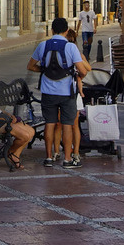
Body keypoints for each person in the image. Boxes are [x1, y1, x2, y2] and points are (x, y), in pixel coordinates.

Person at [28, 18, 89, 169]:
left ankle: (49, 157)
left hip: (48, 92)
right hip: (67, 92)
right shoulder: (71, 47)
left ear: (52, 30)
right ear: (66, 31)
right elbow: (83, 71)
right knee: (67, 125)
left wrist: (44, 70)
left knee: (50, 123)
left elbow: (31, 66)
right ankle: (67, 159)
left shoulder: (42, 45)